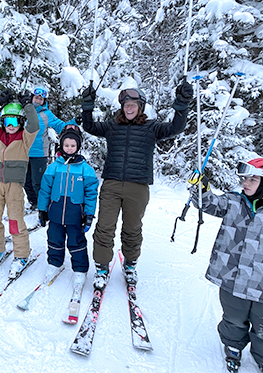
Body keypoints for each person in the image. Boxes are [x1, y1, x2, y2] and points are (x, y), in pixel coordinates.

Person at [189, 158, 263, 373]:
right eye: (245, 178)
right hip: (230, 278)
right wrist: (200, 188)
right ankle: (233, 347)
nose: (245, 183)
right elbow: (207, 203)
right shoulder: (233, 202)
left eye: (253, 179)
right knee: (233, 318)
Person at [82, 80, 193, 288]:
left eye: (133, 104)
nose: (129, 108)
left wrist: (182, 103)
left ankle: (130, 265)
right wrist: (88, 106)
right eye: (126, 105)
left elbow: (176, 128)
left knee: (132, 228)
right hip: (112, 184)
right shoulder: (112, 126)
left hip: (138, 186)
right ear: (122, 107)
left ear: (140, 107)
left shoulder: (151, 127)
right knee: (104, 227)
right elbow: (89, 126)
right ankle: (102, 267)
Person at [0, 89, 39, 278]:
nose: (11, 125)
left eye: (15, 121)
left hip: (14, 187)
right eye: (7, 121)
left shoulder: (25, 139)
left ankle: (21, 255)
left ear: (21, 122)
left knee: (15, 221)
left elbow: (35, 124)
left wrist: (27, 105)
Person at [37, 124, 99, 290]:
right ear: (61, 146)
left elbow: (91, 194)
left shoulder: (86, 170)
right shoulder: (54, 167)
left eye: (73, 145)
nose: (69, 148)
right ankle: (55, 263)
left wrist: (89, 214)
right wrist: (42, 209)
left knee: (76, 242)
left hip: (75, 215)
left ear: (78, 146)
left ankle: (80, 269)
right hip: (55, 213)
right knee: (54, 240)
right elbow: (45, 190)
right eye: (66, 145)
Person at [23, 85, 67, 211]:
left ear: (44, 102)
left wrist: (75, 122)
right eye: (36, 97)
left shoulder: (46, 114)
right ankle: (33, 203)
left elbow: (61, 126)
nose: (38, 100)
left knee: (38, 183)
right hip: (23, 153)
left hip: (39, 154)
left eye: (41, 99)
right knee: (26, 182)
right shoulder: (23, 110)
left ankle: (44, 206)